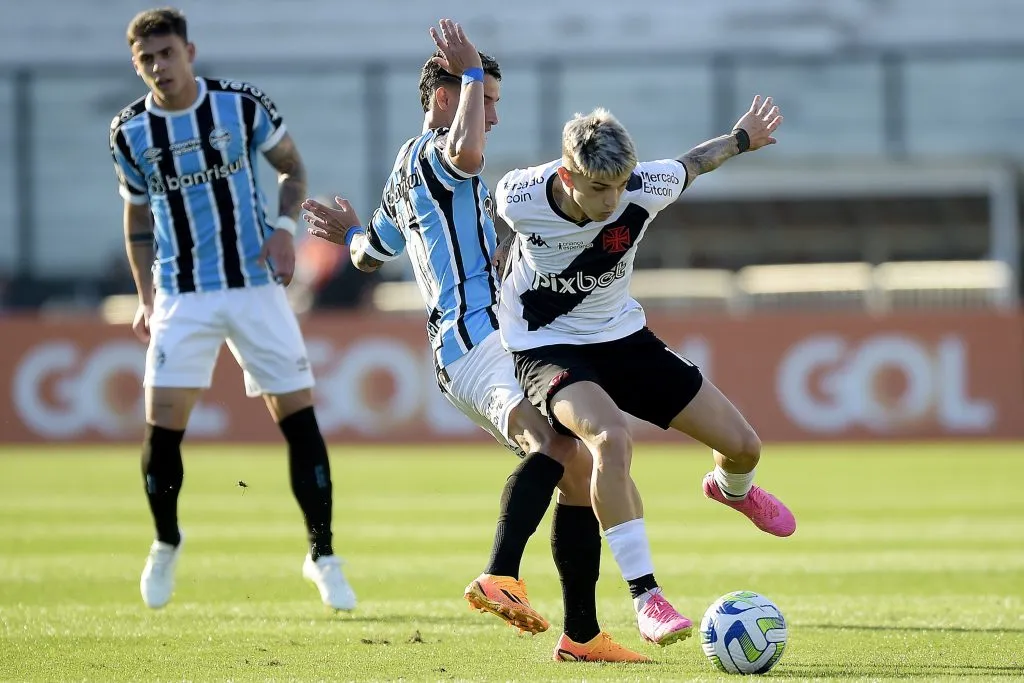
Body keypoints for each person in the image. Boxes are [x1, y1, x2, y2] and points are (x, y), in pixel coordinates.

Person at [302, 19, 646, 663]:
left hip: (467, 345)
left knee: (572, 462)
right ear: (442, 97)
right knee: (552, 443)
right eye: (481, 99)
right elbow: (465, 153)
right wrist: (465, 76)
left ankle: (581, 635)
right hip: (478, 337)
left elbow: (371, 254)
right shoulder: (440, 154)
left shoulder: (405, 172)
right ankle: (499, 573)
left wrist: (349, 230)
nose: (490, 114)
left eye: (491, 101)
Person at [495, 100, 798, 646]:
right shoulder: (520, 195)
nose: (613, 202)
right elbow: (488, 215)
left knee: (745, 446)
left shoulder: (644, 187)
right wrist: (499, 249)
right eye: (598, 190)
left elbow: (696, 162)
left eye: (620, 187)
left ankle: (730, 490)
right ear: (567, 176)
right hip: (547, 347)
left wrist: (742, 139)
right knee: (610, 437)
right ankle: (647, 598)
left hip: (624, 339)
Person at [108, 7, 354, 612]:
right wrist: (144, 296)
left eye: (167, 54)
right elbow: (138, 216)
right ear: (136, 66)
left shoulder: (241, 107)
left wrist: (283, 228)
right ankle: (165, 542)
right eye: (147, 60)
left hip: (254, 288)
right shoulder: (129, 134)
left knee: (300, 422)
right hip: (181, 294)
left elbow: (292, 169)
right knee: (162, 433)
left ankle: (322, 555)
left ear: (189, 52)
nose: (159, 67)